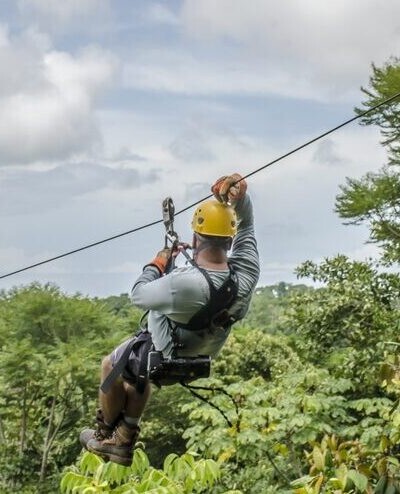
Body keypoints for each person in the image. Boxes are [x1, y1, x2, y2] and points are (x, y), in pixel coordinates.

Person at [80, 173, 260, 465]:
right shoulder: (246, 274)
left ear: (195, 238)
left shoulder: (182, 285)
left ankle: (105, 438)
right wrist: (240, 199)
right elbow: (248, 225)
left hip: (169, 349)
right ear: (230, 239)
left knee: (110, 365)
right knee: (136, 376)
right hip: (204, 350)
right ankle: (124, 437)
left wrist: (159, 263)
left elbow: (138, 294)